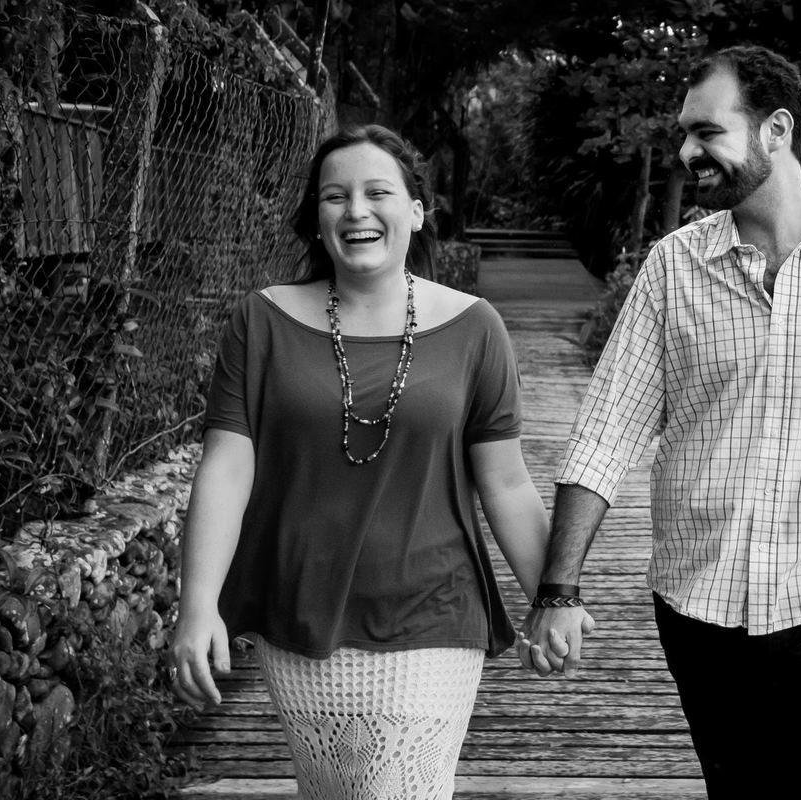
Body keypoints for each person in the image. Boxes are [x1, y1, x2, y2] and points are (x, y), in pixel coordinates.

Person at [516, 45, 801, 800]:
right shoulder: (672, 268)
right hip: (703, 604)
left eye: (708, 132)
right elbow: (604, 436)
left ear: (776, 130)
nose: (688, 152)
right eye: (685, 134)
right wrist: (558, 590)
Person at [170, 124, 554, 800]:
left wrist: (554, 596)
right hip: (299, 613)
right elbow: (226, 468)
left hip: (434, 607)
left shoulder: (475, 326)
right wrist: (198, 606)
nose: (355, 210)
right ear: (316, 219)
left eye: (378, 192)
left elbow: (507, 482)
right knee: (334, 788)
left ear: (416, 211)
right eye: (334, 196)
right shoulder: (260, 322)